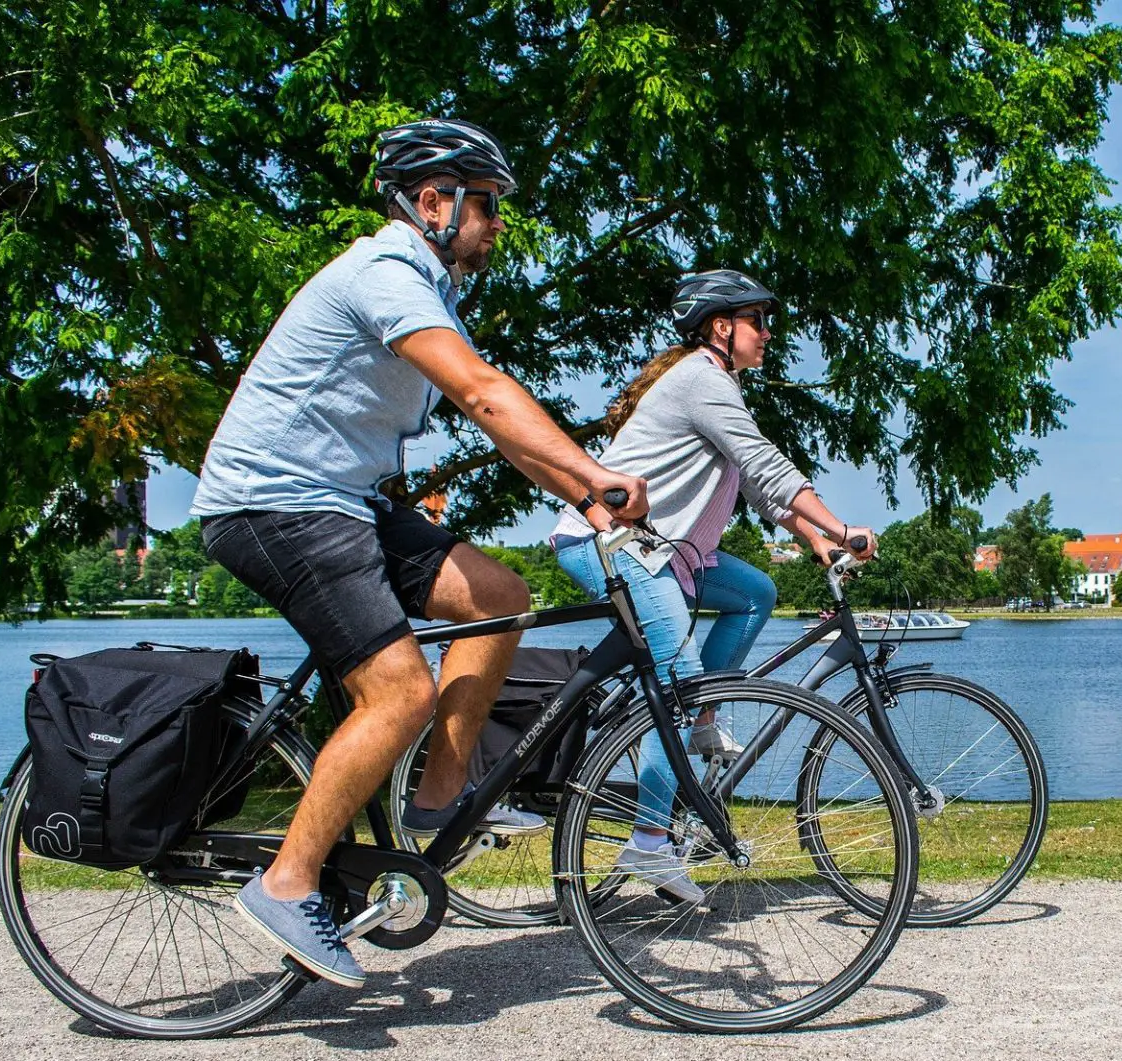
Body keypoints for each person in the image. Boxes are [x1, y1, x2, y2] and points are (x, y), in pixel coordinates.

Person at [190, 119, 649, 987]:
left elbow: (505, 430)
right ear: (432, 202)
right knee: (398, 692)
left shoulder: (425, 283)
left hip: (343, 503)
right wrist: (592, 470)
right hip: (276, 503)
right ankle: (286, 885)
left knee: (500, 595)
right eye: (486, 204)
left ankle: (441, 805)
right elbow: (480, 394)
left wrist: (583, 494)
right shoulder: (388, 272)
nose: (498, 224)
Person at [552, 269, 877, 904]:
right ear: (723, 327)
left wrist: (815, 540)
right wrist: (841, 524)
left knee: (755, 592)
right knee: (677, 682)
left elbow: (755, 485)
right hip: (608, 544)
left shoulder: (716, 383)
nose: (769, 334)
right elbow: (765, 462)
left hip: (671, 555)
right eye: (760, 321)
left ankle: (701, 706)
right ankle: (650, 839)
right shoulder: (702, 377)